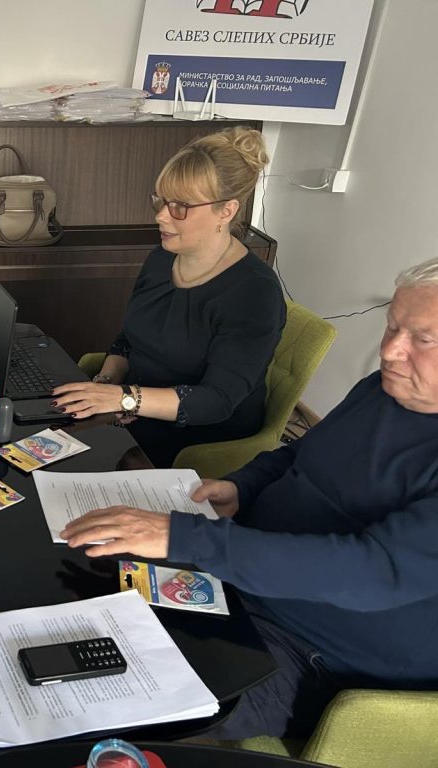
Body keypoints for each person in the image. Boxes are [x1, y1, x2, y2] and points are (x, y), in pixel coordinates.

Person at [59, 256, 438, 738]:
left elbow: (369, 572)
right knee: (79, 588)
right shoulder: (382, 391)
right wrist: (244, 485)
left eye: (422, 339)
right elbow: (301, 454)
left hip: (311, 648)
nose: (390, 351)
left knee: (108, 713)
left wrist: (186, 537)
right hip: (243, 574)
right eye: (392, 327)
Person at [52, 127, 286, 468]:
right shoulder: (163, 257)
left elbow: (216, 401)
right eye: (160, 201)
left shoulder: (254, 293)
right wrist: (105, 385)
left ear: (226, 211)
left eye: (180, 207)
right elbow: (129, 339)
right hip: (136, 411)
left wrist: (126, 399)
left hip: (197, 438)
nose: (160, 215)